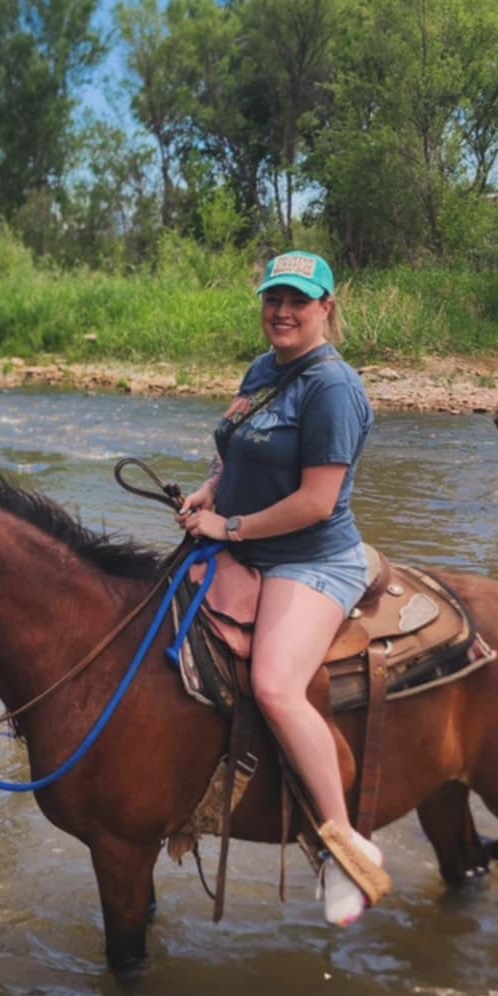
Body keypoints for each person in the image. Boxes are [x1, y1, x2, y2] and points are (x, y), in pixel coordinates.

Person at [178, 250, 390, 926]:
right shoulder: (264, 368)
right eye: (274, 298)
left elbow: (316, 503)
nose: (283, 311)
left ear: (327, 306)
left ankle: (341, 847)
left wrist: (228, 525)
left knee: (272, 684)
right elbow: (233, 445)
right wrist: (209, 490)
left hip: (309, 558)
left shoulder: (332, 388)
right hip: (240, 541)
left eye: (299, 300)